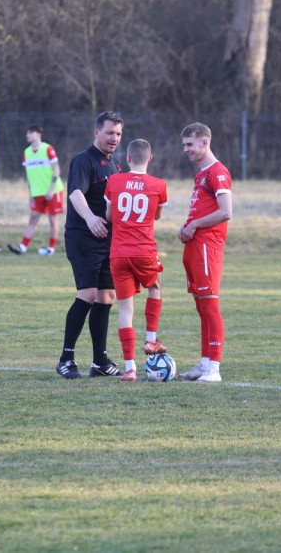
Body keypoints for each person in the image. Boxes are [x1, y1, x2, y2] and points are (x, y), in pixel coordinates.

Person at [55, 110, 125, 379]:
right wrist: (90, 218)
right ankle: (66, 358)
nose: (114, 138)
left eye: (118, 134)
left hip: (107, 239)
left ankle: (100, 362)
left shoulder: (115, 165)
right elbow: (74, 194)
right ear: (97, 132)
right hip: (82, 236)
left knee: (107, 297)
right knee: (87, 294)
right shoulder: (83, 160)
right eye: (110, 132)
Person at [104, 139, 168, 381]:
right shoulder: (159, 184)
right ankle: (151, 340)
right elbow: (156, 216)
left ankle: (130, 368)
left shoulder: (114, 181)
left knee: (124, 309)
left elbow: (110, 216)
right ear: (150, 159)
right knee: (155, 285)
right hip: (144, 250)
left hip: (118, 252)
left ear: (127, 158)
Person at [177, 122, 233, 382]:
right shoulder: (201, 175)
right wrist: (186, 226)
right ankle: (204, 363)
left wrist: (195, 225)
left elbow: (225, 212)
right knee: (201, 307)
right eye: (184, 145)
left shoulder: (217, 172)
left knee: (210, 305)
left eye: (189, 144)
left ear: (204, 142)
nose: (186, 150)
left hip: (208, 246)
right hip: (194, 246)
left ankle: (214, 369)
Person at [8, 125, 65, 256]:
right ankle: (22, 247)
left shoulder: (48, 149)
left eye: (30, 133)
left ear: (38, 134)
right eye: (27, 133)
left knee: (52, 220)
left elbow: (57, 170)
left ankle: (51, 249)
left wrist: (51, 190)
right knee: (33, 219)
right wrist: (30, 194)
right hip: (37, 193)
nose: (27, 135)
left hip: (53, 191)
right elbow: (28, 176)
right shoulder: (26, 153)